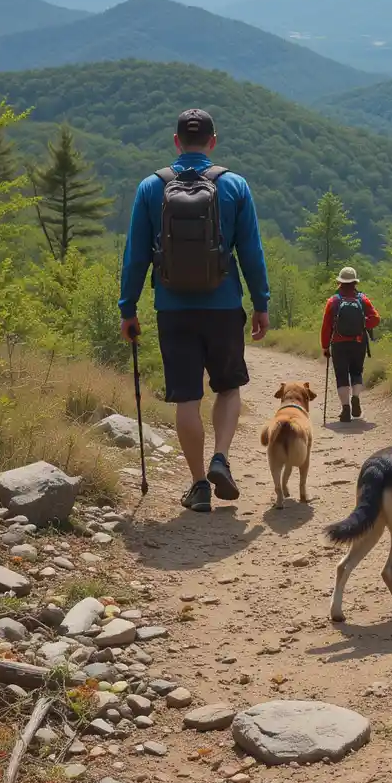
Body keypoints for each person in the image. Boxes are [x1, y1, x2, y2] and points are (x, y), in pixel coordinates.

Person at [119, 108, 270, 513]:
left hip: (172, 308)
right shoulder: (234, 185)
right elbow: (251, 252)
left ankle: (199, 484)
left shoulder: (151, 188)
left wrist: (127, 307)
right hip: (223, 306)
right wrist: (261, 303)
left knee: (186, 397)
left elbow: (135, 256)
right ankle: (221, 456)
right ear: (213, 141)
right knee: (228, 387)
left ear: (175, 142)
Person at [320, 267, 380, 423]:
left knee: (341, 375)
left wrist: (325, 346)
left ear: (340, 282)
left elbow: (326, 327)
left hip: (338, 344)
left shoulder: (333, 301)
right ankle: (356, 397)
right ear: (354, 282)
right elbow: (375, 319)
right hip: (358, 342)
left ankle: (345, 409)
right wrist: (362, 323)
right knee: (356, 372)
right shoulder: (362, 299)